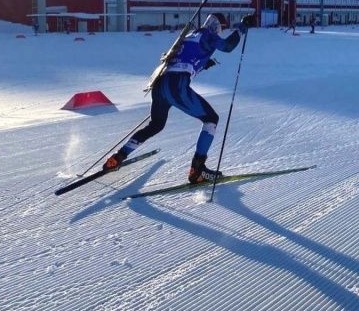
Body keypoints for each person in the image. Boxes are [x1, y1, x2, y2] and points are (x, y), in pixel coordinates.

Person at [103, 14, 250, 184]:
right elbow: (228, 46)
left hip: (160, 84)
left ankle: (117, 158)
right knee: (211, 119)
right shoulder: (208, 35)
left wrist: (205, 64)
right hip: (176, 86)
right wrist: (241, 28)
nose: (219, 32)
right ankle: (197, 170)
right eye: (220, 29)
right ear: (216, 27)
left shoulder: (188, 36)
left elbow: (184, 59)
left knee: (156, 124)